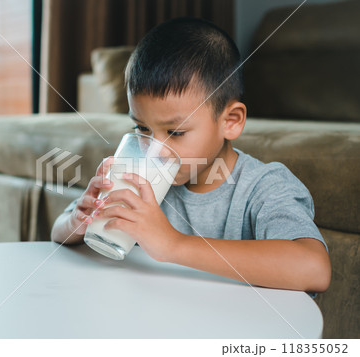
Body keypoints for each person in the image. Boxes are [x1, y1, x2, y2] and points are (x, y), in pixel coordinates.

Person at [51, 17, 331, 293]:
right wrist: (78, 221)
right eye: (142, 128)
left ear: (230, 121)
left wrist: (173, 244)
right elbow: (59, 231)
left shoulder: (264, 186)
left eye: (176, 132)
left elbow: (314, 269)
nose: (153, 150)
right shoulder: (140, 181)